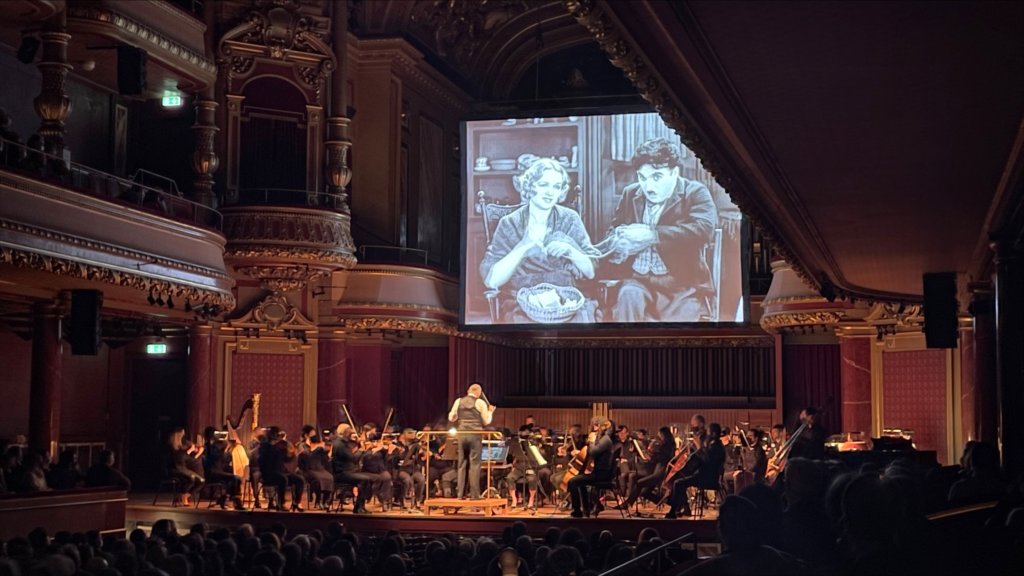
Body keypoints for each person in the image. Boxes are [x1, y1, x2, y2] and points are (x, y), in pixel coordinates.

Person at [603, 138, 718, 322]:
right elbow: (612, 232)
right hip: (637, 280)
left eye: (656, 177)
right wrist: (620, 243)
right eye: (642, 177)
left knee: (676, 335)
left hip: (681, 284)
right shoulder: (630, 193)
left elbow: (704, 230)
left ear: (674, 173)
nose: (648, 186)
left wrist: (652, 235)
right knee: (627, 300)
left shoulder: (695, 192)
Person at [480, 158, 600, 322]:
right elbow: (492, 280)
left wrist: (570, 250)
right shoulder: (510, 223)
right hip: (524, 303)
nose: (550, 192)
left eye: (556, 186)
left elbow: (591, 272)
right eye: (544, 185)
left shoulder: (570, 219)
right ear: (530, 186)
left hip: (567, 304)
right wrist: (524, 247)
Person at [666, 422, 726, 518]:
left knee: (678, 483)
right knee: (679, 482)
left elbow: (708, 461)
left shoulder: (718, 447)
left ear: (714, 434)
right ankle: (683, 508)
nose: (707, 434)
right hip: (703, 476)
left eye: (709, 432)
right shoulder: (712, 445)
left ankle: (673, 511)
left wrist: (699, 447)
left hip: (708, 479)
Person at [448, 382, 496, 499]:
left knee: (461, 464)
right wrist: (490, 411)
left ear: (468, 391)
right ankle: (474, 495)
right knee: (474, 464)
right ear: (478, 393)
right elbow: (486, 421)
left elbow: (451, 417)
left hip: (462, 434)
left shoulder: (458, 401)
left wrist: (459, 418)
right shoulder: (480, 402)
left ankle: (460, 494)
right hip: (475, 435)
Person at [567, 416, 615, 518]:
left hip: (602, 474)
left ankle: (577, 511)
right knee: (580, 481)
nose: (593, 427)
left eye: (595, 425)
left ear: (600, 426)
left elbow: (593, 452)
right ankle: (586, 509)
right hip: (598, 472)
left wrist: (592, 441)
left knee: (572, 482)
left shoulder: (605, 439)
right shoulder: (602, 438)